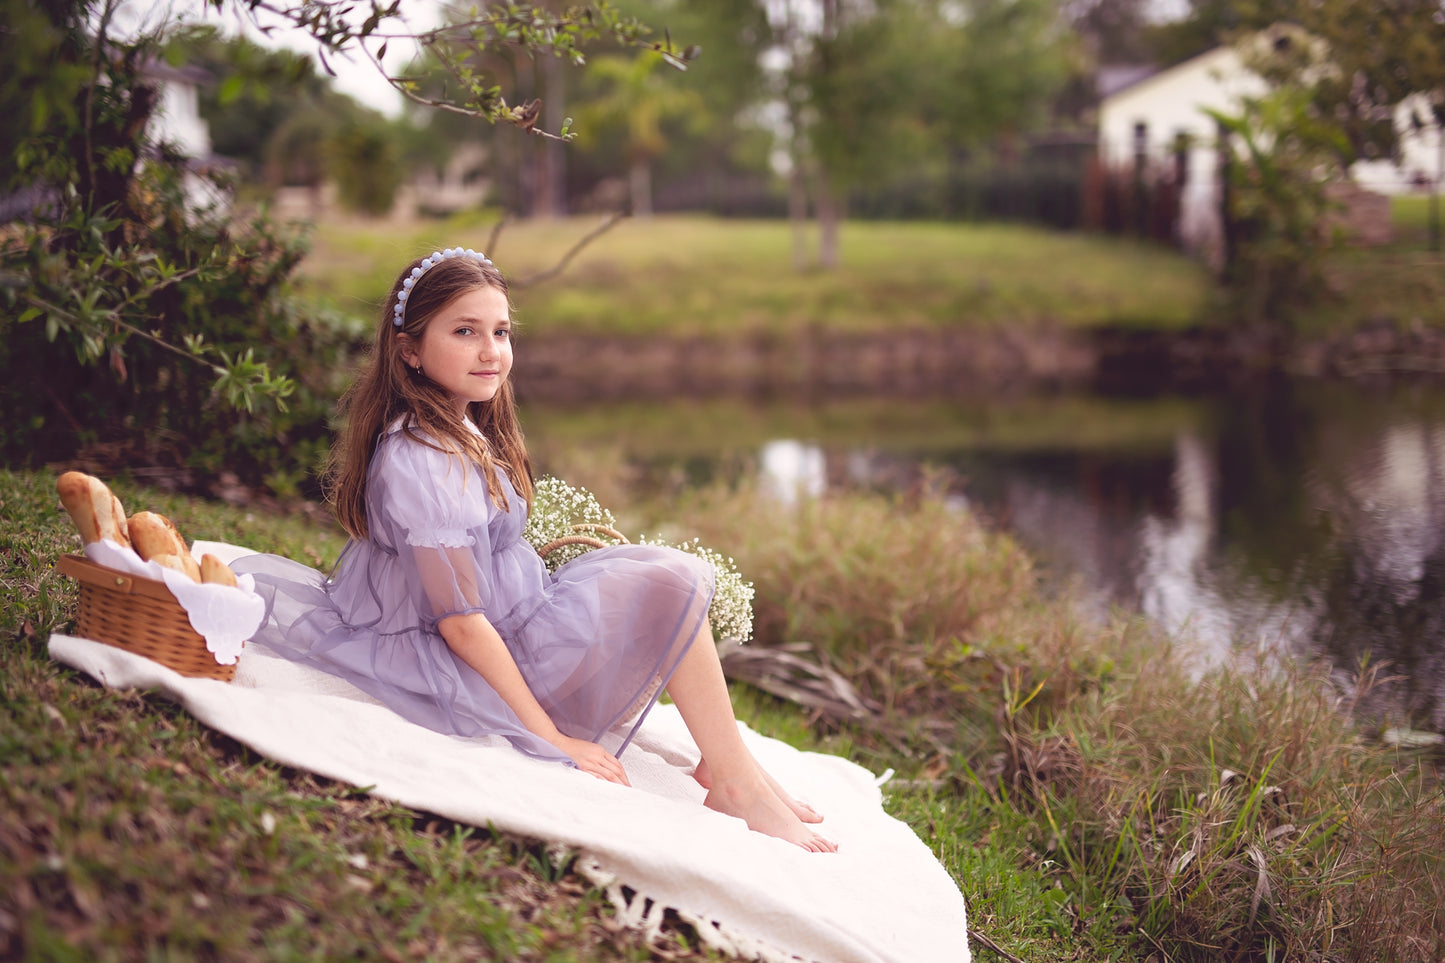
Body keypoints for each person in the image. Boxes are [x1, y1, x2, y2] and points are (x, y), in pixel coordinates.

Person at [234, 248, 835, 852]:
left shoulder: (457, 426)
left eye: (500, 331)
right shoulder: (425, 461)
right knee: (668, 581)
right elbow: (462, 625)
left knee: (662, 577)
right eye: (464, 332)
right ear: (409, 350)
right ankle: (734, 783)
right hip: (471, 655)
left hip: (511, 615)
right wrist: (553, 739)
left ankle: (731, 767)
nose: (490, 350)